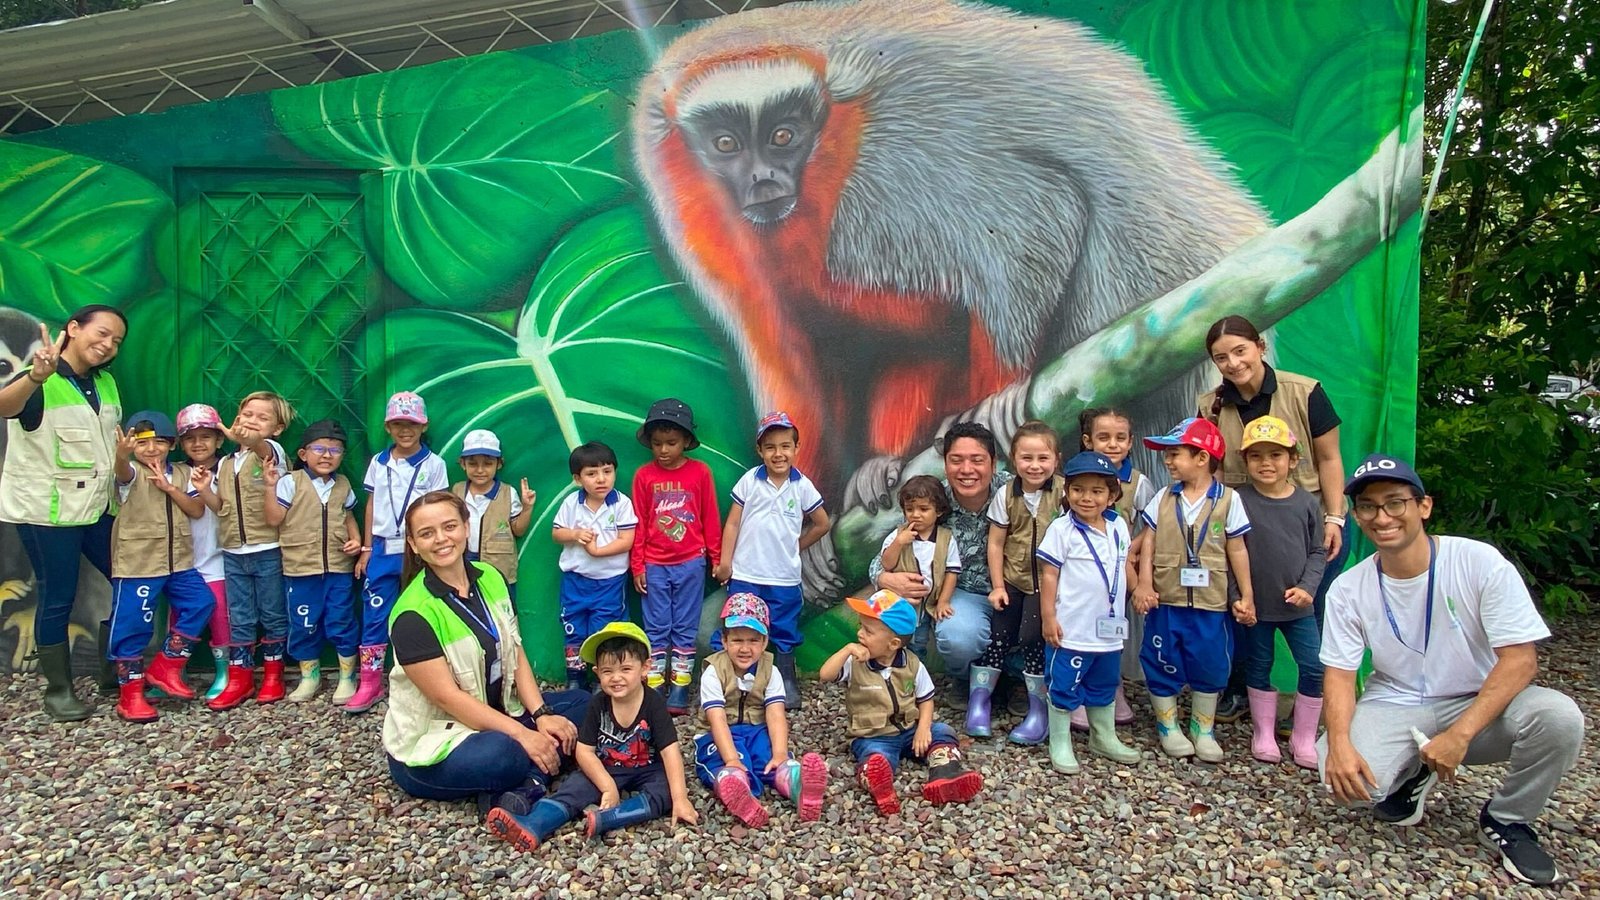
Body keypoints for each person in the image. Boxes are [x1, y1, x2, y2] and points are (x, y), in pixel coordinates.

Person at [1318, 455, 1584, 887]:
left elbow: (1521, 660)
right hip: (1398, 700)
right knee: (1342, 778)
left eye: (1395, 502)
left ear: (1424, 506)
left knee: (1559, 718)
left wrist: (1460, 736)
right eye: (1368, 506)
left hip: (1479, 704)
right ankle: (1416, 772)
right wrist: (1343, 742)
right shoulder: (1349, 587)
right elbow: (1340, 675)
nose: (1382, 517)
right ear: (1356, 515)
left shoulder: (1479, 562)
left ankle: (1508, 818)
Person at [384, 491, 587, 823]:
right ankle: (530, 772)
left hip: (497, 713)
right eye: (426, 533)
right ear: (413, 543)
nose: (441, 539)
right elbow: (447, 698)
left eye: (449, 526)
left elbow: (515, 648)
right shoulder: (412, 613)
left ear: (466, 527)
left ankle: (526, 787)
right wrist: (523, 735)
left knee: (583, 704)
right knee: (502, 754)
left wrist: (541, 714)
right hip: (439, 739)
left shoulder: (490, 576)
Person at [1201, 315, 1348, 721]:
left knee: (1310, 615)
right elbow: (1210, 469)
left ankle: (1316, 707)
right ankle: (1245, 694)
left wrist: (1334, 519)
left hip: (1307, 527)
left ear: (1260, 346)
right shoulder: (1210, 405)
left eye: (1239, 351)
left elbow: (1331, 459)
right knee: (1245, 613)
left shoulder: (1305, 392)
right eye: (1221, 357)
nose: (1232, 363)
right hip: (1245, 532)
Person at [0, 306, 126, 721]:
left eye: (116, 341)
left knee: (126, 579)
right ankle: (59, 690)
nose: (107, 345)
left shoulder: (106, 384)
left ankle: (114, 668)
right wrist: (36, 375)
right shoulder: (40, 379)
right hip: (47, 513)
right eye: (102, 333)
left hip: (95, 508)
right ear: (73, 329)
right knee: (58, 596)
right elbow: (5, 407)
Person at [486, 621, 699, 851]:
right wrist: (607, 786)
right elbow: (584, 750)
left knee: (667, 790)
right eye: (608, 671)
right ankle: (535, 823)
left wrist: (681, 799)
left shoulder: (654, 704)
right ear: (597, 673)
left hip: (647, 767)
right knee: (574, 786)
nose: (616, 678)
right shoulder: (598, 703)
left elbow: (670, 751)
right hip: (606, 765)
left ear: (645, 668)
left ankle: (611, 818)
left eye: (626, 669)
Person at [1132, 417, 1255, 762]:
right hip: (1166, 600)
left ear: (1202, 458)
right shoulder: (1163, 497)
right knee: (1160, 658)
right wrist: (1143, 584)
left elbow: (1238, 549)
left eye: (1176, 454)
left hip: (1210, 602)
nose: (1168, 462)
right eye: (1167, 455)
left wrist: (1246, 595)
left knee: (1210, 662)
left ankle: (1203, 728)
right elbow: (1149, 544)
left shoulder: (1229, 500)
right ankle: (1168, 726)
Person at [868, 422, 1009, 703]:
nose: (966, 470)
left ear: (993, 463)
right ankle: (966, 677)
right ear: (945, 464)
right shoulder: (933, 501)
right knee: (957, 637)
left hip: (1015, 590)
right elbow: (882, 558)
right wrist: (886, 579)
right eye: (956, 460)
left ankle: (1014, 680)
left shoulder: (1012, 492)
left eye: (977, 460)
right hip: (961, 594)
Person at [819, 589, 983, 815]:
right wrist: (847, 650)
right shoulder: (854, 662)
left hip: (909, 730)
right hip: (873, 735)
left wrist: (923, 729)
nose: (860, 634)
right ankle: (879, 784)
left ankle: (945, 771)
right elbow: (825, 674)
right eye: (860, 626)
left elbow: (926, 700)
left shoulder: (913, 665)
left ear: (893, 643)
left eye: (868, 630)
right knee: (876, 757)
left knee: (942, 731)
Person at [714, 411, 831, 709]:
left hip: (783, 577)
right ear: (760, 450)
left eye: (785, 446)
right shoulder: (750, 482)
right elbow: (732, 524)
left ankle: (784, 679)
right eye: (770, 447)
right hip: (746, 574)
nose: (778, 454)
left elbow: (822, 523)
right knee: (740, 625)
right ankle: (734, 681)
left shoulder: (801, 486)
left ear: (796, 448)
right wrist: (726, 562)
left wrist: (796, 546)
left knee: (782, 627)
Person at [1036, 451, 1141, 774]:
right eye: (1078, 489)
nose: (1087, 498)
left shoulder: (1119, 526)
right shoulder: (1061, 530)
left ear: (1112, 496)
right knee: (1064, 684)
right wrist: (1049, 617)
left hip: (1108, 630)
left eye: (1097, 491)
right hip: (1071, 629)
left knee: (1104, 683)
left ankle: (1103, 735)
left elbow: (1123, 565)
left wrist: (1139, 590)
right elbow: (1048, 574)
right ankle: (1061, 741)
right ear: (1066, 492)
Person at [105, 410, 213, 722]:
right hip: (139, 562)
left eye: (159, 442)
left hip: (178, 561)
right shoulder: (132, 473)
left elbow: (195, 509)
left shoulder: (182, 473)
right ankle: (131, 695)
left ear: (171, 444)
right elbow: (123, 473)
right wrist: (122, 457)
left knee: (201, 603)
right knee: (132, 625)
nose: (151, 449)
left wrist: (171, 488)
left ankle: (167, 664)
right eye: (142, 443)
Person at [1234, 416, 1326, 767]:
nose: (1266, 463)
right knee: (1259, 665)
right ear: (1245, 462)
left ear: (1293, 460)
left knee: (1314, 666)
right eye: (1256, 456)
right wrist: (1237, 598)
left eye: (1275, 455)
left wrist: (1307, 589)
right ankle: (1264, 733)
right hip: (1255, 607)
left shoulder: (1305, 503)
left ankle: (1303, 737)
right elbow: (1228, 551)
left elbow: (1318, 551)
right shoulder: (1238, 500)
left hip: (1297, 606)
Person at [351, 391, 448, 714]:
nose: (404, 430)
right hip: (381, 546)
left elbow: (438, 509)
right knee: (376, 610)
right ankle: (370, 680)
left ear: (423, 426)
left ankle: (423, 678)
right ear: (388, 427)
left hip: (418, 549)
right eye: (397, 424)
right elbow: (372, 506)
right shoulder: (378, 463)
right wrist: (366, 548)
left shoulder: (434, 465)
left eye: (411, 424)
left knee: (422, 611)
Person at [694, 593, 828, 826]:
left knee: (775, 762)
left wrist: (779, 753)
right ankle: (736, 789)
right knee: (726, 764)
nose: (745, 648)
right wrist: (732, 758)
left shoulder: (771, 670)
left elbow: (775, 714)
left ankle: (800, 787)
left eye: (753, 641)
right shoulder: (714, 671)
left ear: (765, 642)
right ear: (724, 641)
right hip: (720, 735)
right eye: (737, 640)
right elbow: (717, 720)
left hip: (757, 730)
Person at [197, 390, 294, 710]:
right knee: (240, 616)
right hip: (234, 552)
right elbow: (221, 507)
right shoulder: (225, 463)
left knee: (272, 612)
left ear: (277, 429)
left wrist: (248, 438)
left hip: (267, 548)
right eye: (247, 414)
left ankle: (273, 674)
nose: (252, 422)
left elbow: (259, 444)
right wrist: (203, 491)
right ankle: (240, 678)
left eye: (262, 418)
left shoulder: (270, 454)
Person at [971, 420, 1063, 743]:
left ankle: (1039, 711)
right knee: (999, 637)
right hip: (1013, 581)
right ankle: (979, 702)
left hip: (1048, 586)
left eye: (1042, 458)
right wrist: (997, 585)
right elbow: (996, 543)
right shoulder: (1007, 494)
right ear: (1013, 459)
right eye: (1026, 458)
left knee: (1034, 640)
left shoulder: (1065, 493)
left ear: (1055, 459)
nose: (1035, 466)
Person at [629, 398, 721, 715]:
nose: (664, 450)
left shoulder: (700, 473)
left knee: (685, 626)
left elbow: (710, 516)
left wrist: (716, 557)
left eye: (671, 443)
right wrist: (638, 564)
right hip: (654, 564)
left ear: (685, 441)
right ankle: (654, 688)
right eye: (657, 444)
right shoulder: (644, 476)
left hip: (691, 562)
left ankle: (680, 688)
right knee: (655, 627)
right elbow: (638, 520)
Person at [265, 419, 362, 704]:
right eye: (319, 448)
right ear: (304, 453)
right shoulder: (290, 482)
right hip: (300, 568)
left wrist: (356, 541)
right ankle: (310, 676)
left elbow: (347, 517)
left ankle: (347, 677)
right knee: (303, 622)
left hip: (337, 568)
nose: (327, 455)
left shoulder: (343, 485)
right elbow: (274, 519)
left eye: (335, 450)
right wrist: (269, 488)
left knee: (341, 619)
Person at [1076, 406, 1160, 730]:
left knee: (1111, 632)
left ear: (1130, 442)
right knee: (1081, 631)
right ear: (1087, 441)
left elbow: (1150, 523)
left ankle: (1112, 688)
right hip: (1081, 575)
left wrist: (1130, 550)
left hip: (1118, 576)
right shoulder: (1077, 478)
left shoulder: (1138, 483)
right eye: (1103, 437)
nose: (1112, 444)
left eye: (1120, 438)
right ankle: (1077, 690)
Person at [552, 440, 637, 691]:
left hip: (609, 582)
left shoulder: (621, 504)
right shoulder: (571, 503)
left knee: (604, 631)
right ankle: (575, 678)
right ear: (578, 479)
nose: (601, 479)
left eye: (607, 471)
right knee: (574, 628)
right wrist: (575, 534)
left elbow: (626, 541)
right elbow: (557, 533)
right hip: (575, 581)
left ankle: (604, 679)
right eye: (592, 473)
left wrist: (598, 551)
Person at [175, 403, 232, 701]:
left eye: (205, 437)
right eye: (190, 438)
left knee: (221, 616)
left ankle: (224, 671)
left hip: (219, 557)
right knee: (179, 616)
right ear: (181, 442)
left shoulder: (228, 468)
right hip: (183, 560)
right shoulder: (175, 473)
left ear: (219, 439)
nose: (198, 444)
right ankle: (174, 669)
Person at [877, 475, 960, 659]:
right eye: (909, 509)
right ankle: (895, 673)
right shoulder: (898, 535)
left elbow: (951, 573)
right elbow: (887, 564)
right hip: (901, 604)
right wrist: (899, 543)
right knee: (897, 640)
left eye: (923, 509)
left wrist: (944, 601)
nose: (915, 514)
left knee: (919, 641)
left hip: (929, 604)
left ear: (938, 511)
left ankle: (916, 676)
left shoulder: (946, 539)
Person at [451, 429, 536, 600]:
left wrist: (527, 508)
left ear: (499, 464)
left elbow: (518, 530)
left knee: (501, 611)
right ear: (462, 464)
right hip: (463, 562)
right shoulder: (457, 491)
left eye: (488, 464)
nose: (480, 470)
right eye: (473, 463)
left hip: (499, 567)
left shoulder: (508, 493)